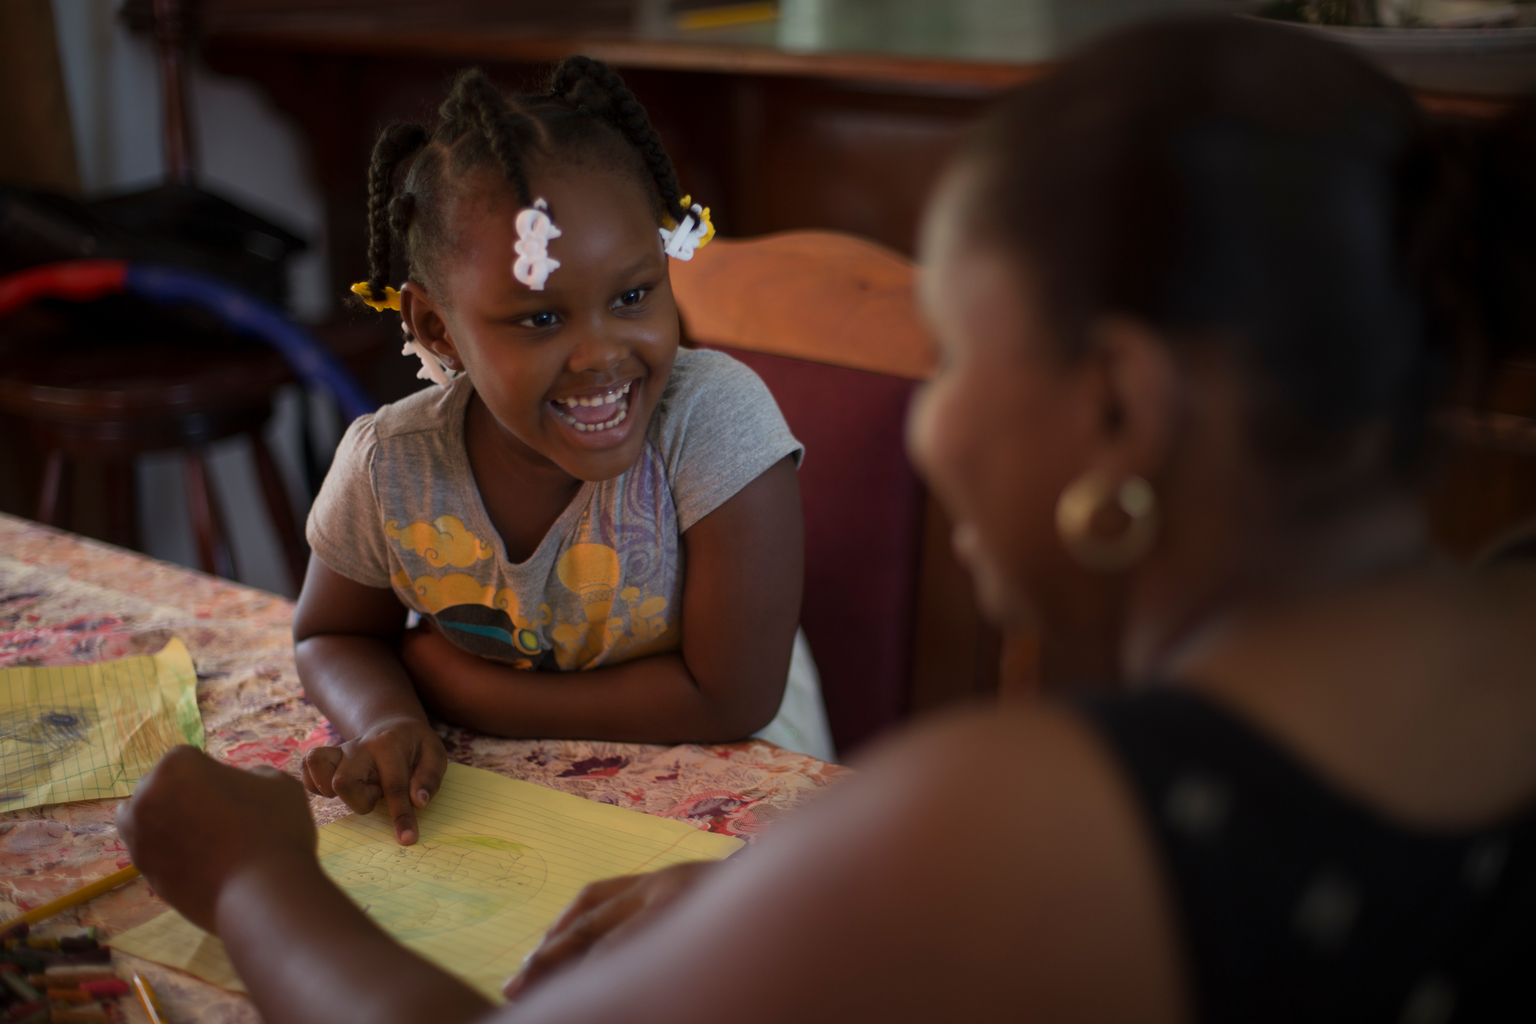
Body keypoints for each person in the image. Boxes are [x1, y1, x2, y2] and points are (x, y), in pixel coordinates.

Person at [117, 17, 1535, 1023]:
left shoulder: (1030, 823)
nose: (924, 418)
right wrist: (789, 912)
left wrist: (253, 882)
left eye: (962, 359)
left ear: (1114, 407)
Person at [292, 59, 834, 846]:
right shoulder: (391, 466)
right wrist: (387, 716)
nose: (599, 355)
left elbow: (731, 701)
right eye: (541, 319)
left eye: (632, 296)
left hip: (733, 806)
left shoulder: (713, 421)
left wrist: (466, 692)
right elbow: (330, 635)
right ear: (437, 328)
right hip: (512, 816)